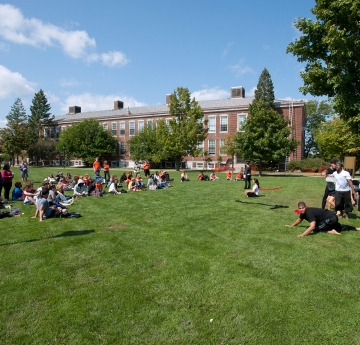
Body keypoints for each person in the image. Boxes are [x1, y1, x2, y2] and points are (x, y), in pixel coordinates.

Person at [285, 201, 360, 236]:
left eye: (303, 208)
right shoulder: (302, 213)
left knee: (316, 228)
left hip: (330, 218)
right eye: (300, 208)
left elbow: (312, 226)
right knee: (339, 227)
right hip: (331, 218)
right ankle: (356, 228)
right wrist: (291, 225)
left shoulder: (309, 213)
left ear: (306, 207)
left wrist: (302, 234)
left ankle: (331, 231)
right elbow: (299, 220)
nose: (301, 209)